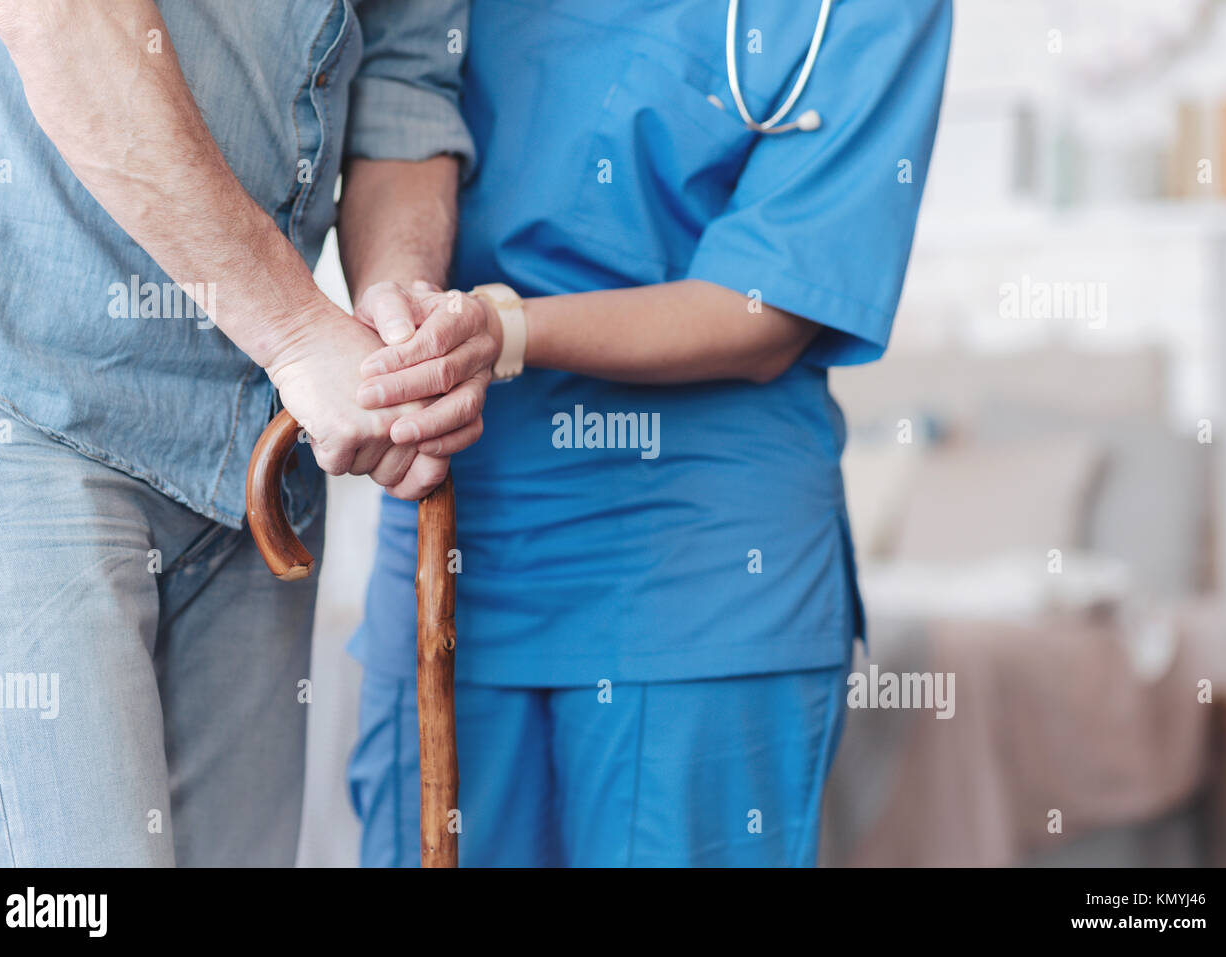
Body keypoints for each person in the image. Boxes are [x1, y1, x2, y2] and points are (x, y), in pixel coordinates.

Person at [348, 0, 953, 866]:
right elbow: (396, 106)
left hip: (699, 562)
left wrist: (501, 331)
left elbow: (768, 309)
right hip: (456, 522)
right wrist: (400, 316)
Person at [0, 0, 495, 866]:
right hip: (27, 405)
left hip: (258, 455)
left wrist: (401, 314)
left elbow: (404, 78)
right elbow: (59, 15)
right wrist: (293, 329)